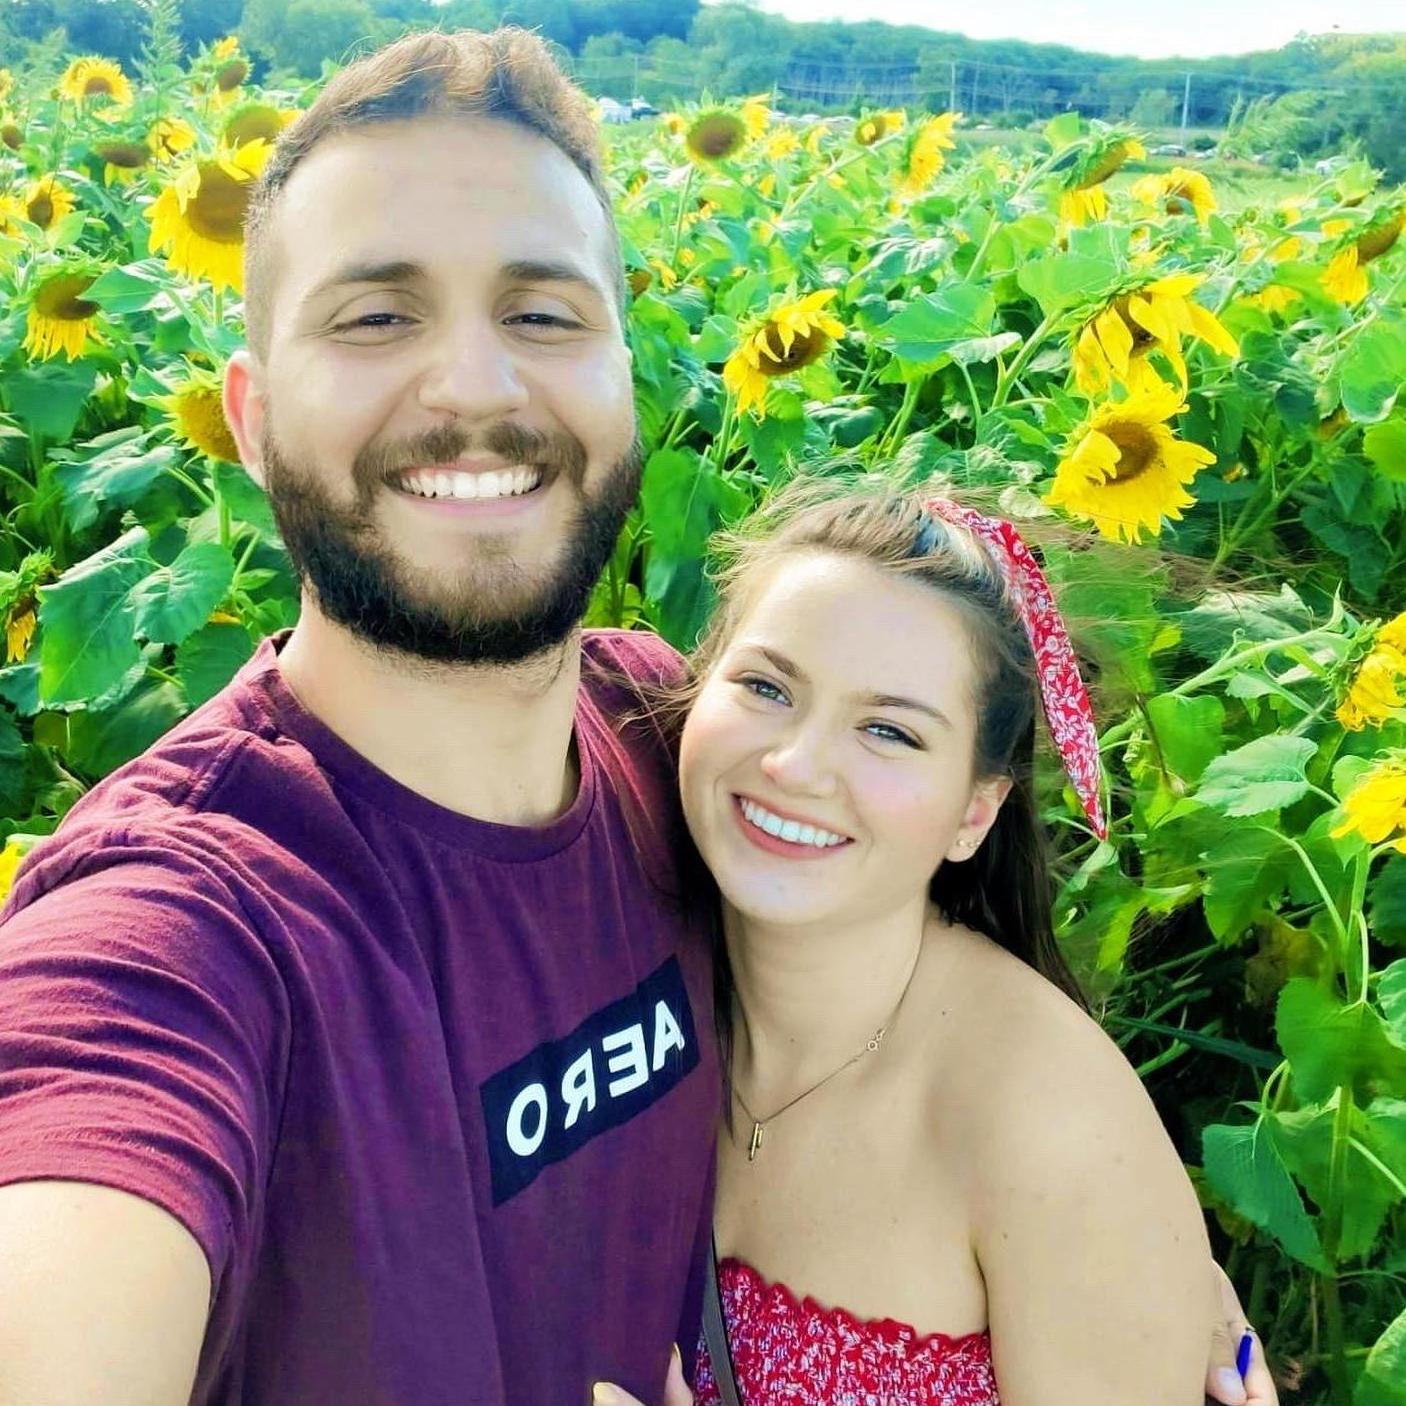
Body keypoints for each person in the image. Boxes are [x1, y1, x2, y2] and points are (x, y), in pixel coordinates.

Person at [0, 26, 1270, 1406]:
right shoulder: (183, 934)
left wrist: (1111, 1249)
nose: (476, 387)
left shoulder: (651, 733)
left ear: (626, 382)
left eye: (544, 314)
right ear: (246, 421)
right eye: (373, 314)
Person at [596, 484, 1274, 1406]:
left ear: (974, 812)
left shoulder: (1046, 1125)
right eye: (765, 687)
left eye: (888, 730)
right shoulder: (620, 970)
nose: (795, 765)